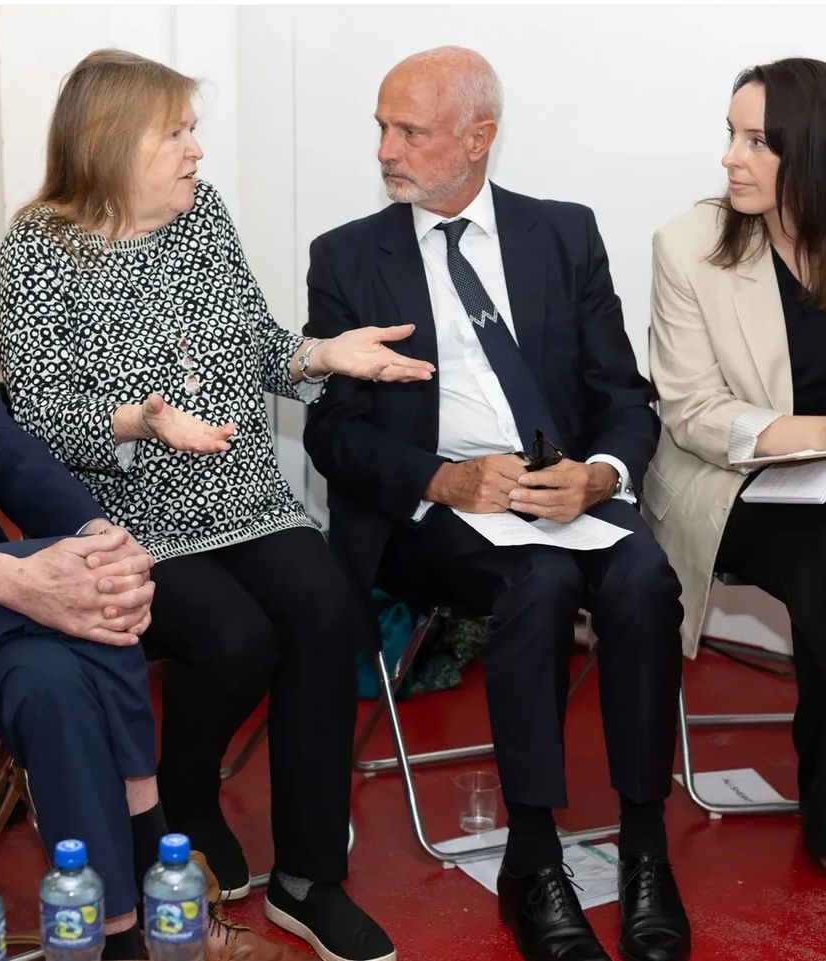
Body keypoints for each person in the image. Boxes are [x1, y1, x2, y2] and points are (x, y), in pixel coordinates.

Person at [0, 49, 432, 961]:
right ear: (113, 144)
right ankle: (184, 793)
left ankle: (311, 876)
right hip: (122, 509)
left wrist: (322, 355)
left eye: (194, 131)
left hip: (238, 489)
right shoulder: (37, 248)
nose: (198, 150)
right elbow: (33, 420)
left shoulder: (203, 219)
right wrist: (138, 421)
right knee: (234, 636)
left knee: (325, 607)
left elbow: (258, 345)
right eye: (178, 133)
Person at [0, 118, 296, 961]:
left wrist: (94, 530)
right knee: (74, 597)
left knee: (56, 669)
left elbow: (0, 447)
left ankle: (116, 935)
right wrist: (12, 575)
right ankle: (158, 861)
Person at [302, 46, 690, 961]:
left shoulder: (563, 233)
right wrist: (441, 478)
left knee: (643, 577)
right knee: (541, 583)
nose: (387, 148)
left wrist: (600, 474)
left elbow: (622, 394)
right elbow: (334, 434)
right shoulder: (349, 257)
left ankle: (644, 849)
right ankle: (533, 855)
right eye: (381, 127)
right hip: (435, 512)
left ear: (478, 139)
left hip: (564, 489)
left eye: (410, 130)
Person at [648, 57, 826, 872]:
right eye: (730, 134)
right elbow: (693, 414)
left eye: (758, 140)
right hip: (733, 483)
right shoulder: (690, 246)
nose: (731, 157)